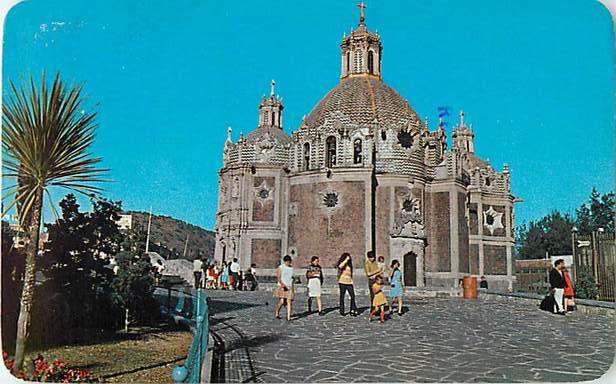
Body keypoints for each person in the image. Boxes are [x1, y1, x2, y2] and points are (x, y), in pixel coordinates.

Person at [274, 255, 294, 321]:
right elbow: (279, 277)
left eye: (289, 262)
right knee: (282, 301)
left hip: (289, 286)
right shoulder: (281, 267)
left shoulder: (291, 268)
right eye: (287, 262)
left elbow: (291, 277)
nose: (288, 263)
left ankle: (288, 317)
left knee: (289, 301)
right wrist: (283, 284)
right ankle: (277, 312)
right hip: (282, 286)